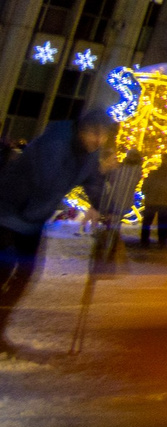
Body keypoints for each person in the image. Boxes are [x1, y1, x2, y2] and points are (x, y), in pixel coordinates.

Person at [0, 108, 116, 354]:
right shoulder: (56, 142)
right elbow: (49, 180)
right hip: (7, 213)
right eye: (95, 134)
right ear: (82, 129)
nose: (99, 140)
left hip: (31, 220)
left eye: (103, 135)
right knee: (5, 272)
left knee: (24, 276)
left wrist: (97, 204)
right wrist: (101, 171)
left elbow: (92, 179)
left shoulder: (87, 152)